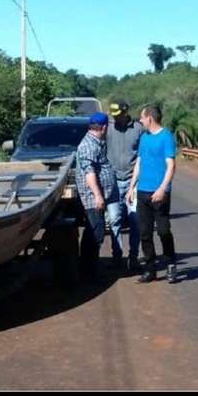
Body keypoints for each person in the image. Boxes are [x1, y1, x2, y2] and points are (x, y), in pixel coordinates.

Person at [126, 104, 178, 284]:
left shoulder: (166, 137)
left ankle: (171, 265)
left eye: (142, 117)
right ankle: (150, 269)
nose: (140, 121)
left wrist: (162, 188)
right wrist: (131, 186)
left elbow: (171, 166)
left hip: (160, 193)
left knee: (163, 231)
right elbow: (139, 163)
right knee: (145, 233)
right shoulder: (144, 138)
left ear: (149, 118)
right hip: (143, 192)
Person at [75, 111, 120, 283]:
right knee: (95, 234)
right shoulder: (88, 146)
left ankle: (90, 271)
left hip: (98, 197)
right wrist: (98, 196)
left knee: (95, 234)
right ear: (103, 128)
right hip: (93, 199)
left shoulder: (96, 143)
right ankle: (87, 273)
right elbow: (89, 173)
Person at [105, 97, 144, 271]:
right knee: (114, 220)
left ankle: (133, 256)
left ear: (126, 111)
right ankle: (117, 255)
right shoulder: (108, 129)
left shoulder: (138, 129)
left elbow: (142, 157)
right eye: (114, 115)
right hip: (112, 181)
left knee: (135, 221)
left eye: (119, 114)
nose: (116, 118)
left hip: (132, 181)